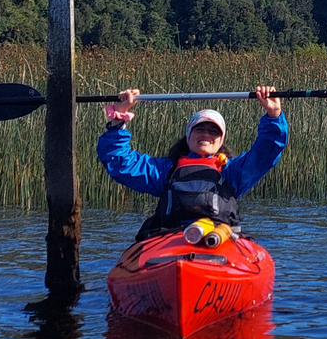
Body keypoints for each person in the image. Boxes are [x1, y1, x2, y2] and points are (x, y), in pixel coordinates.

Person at [97, 85, 288, 241]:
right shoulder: (166, 171)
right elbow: (120, 162)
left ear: (221, 141)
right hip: (170, 239)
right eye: (200, 129)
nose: (206, 134)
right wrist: (118, 118)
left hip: (218, 238)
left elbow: (267, 151)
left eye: (213, 131)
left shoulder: (232, 172)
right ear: (188, 136)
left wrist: (274, 115)